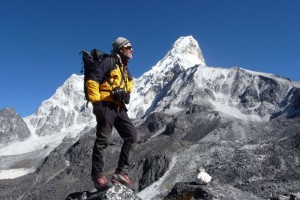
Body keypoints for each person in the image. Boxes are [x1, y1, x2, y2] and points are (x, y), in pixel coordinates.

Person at [86, 37, 138, 191]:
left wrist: (124, 93)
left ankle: (121, 173)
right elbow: (93, 80)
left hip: (118, 107)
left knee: (133, 136)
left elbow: (128, 85)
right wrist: (97, 101)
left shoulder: (125, 68)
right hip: (106, 105)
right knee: (103, 140)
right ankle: (98, 177)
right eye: (129, 47)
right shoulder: (109, 62)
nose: (132, 49)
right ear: (120, 49)